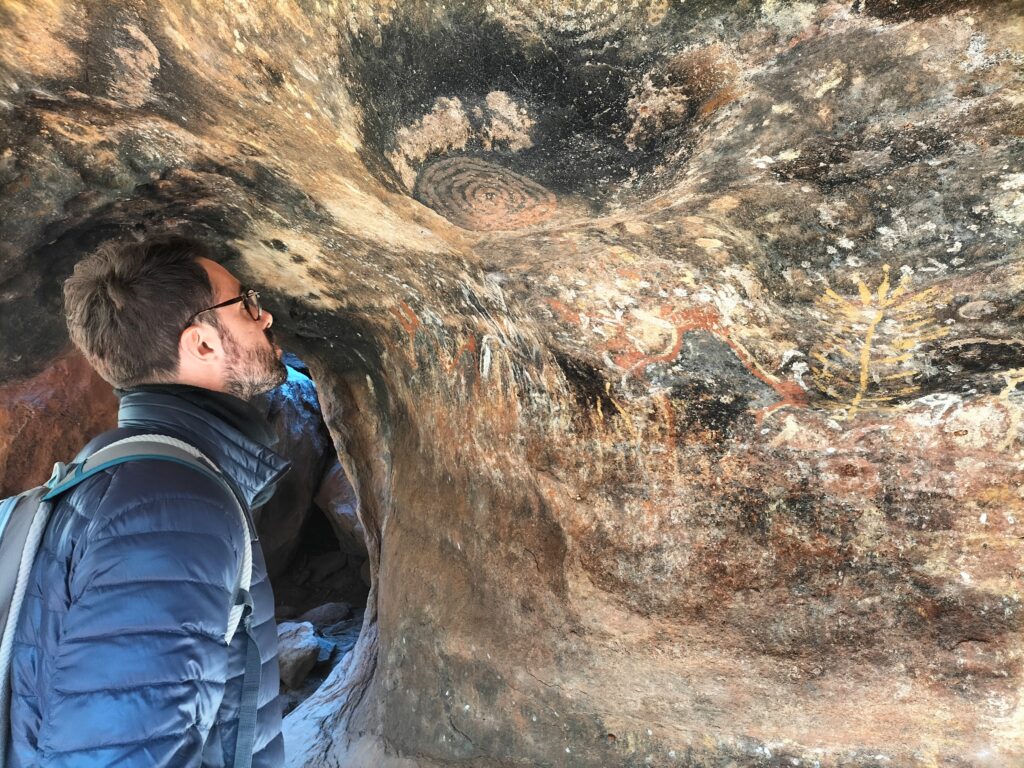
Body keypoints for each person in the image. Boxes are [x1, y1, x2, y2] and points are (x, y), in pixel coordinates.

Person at [7, 236, 291, 767]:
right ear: (202, 344)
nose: (266, 316)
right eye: (246, 303)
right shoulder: (174, 508)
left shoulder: (106, 471)